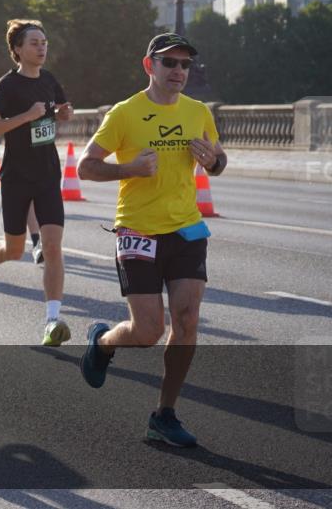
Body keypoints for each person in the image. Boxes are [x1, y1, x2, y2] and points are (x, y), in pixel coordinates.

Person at [77, 33, 226, 448]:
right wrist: (128, 169)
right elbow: (86, 168)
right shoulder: (126, 113)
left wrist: (213, 161)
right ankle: (103, 342)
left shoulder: (198, 112)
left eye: (185, 64)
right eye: (170, 63)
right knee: (148, 330)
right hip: (137, 229)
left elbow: (219, 161)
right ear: (150, 66)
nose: (179, 71)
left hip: (186, 230)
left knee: (187, 320)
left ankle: (164, 414)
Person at [0, 20, 75, 347]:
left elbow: (61, 108)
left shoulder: (49, 80)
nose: (41, 47)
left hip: (47, 173)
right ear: (17, 49)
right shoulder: (8, 85)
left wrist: (64, 113)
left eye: (44, 42)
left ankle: (52, 321)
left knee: (52, 246)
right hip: (16, 177)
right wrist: (26, 117)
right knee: (14, 249)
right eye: (34, 43)